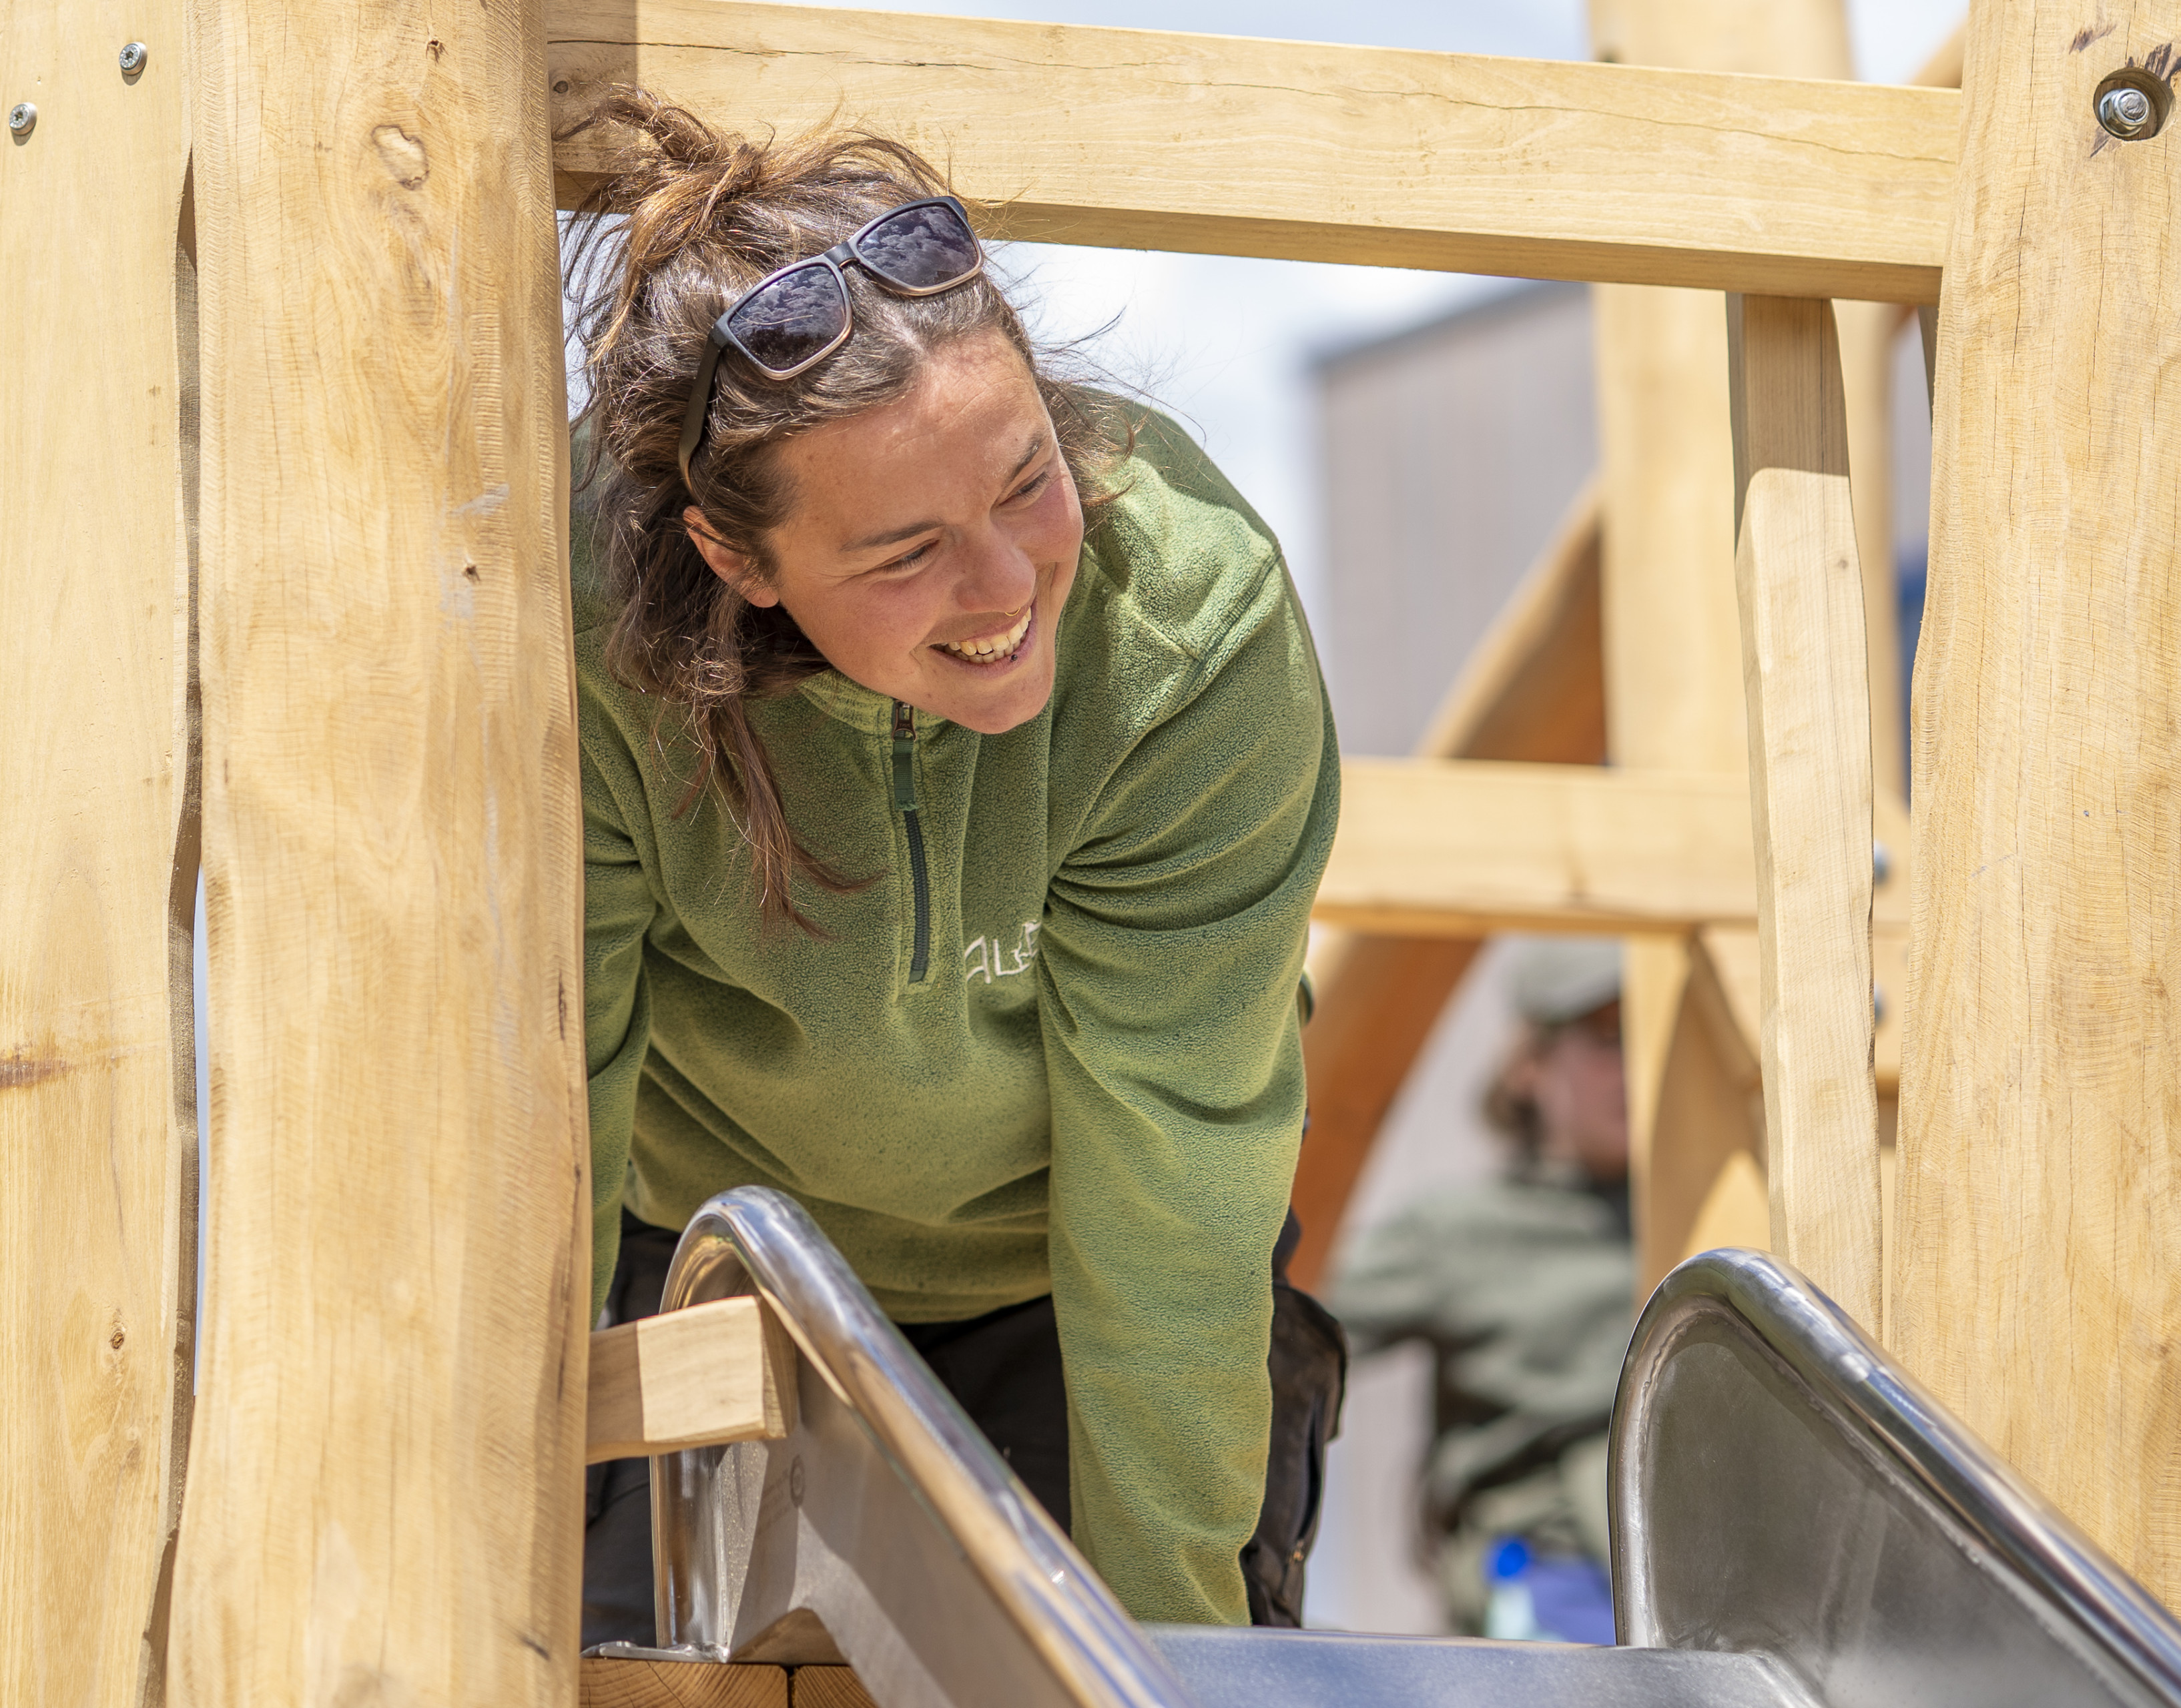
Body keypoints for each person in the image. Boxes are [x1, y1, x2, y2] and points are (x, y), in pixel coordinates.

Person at [563, 92, 1344, 1644]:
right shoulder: (581, 632)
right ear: (739, 564)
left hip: (1072, 1293)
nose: (1005, 586)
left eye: (1023, 479)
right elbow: (546, 1093)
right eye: (901, 552)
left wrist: (1159, 1664)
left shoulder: (1181, 620)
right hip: (705, 1261)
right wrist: (505, 1534)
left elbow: (1171, 1184)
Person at [1323, 939, 1640, 1643]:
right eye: (1608, 1037)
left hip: (1684, 1577)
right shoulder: (1459, 1233)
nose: (1634, 1065)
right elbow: (1289, 1333)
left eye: (1648, 1036)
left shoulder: (1700, 1219)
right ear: (1531, 1066)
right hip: (1545, 1578)